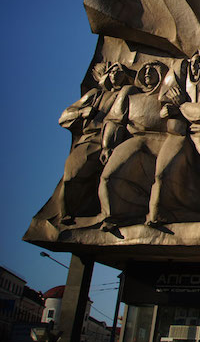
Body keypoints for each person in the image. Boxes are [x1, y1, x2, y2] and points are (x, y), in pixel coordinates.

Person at [149, 50, 200, 227]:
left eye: (198, 63)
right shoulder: (182, 81)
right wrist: (170, 110)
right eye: (192, 62)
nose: (195, 66)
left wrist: (181, 105)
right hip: (181, 134)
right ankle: (159, 214)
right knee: (163, 173)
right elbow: (165, 105)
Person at [99, 61, 171, 231]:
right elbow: (114, 120)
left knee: (164, 176)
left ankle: (158, 215)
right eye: (144, 69)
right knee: (109, 176)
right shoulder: (131, 94)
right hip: (135, 138)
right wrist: (107, 145)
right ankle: (113, 215)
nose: (147, 72)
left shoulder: (169, 95)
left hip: (162, 140)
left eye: (152, 70)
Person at [55, 62, 129, 225]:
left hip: (117, 141)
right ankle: (67, 213)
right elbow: (64, 116)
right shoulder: (96, 94)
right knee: (72, 175)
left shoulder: (128, 94)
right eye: (113, 72)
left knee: (112, 178)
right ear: (107, 75)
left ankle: (110, 216)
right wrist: (81, 112)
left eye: (120, 72)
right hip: (91, 139)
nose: (117, 75)